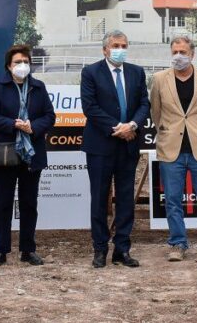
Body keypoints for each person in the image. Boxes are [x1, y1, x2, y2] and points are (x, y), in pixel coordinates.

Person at [150, 35, 197, 262]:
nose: (178, 56)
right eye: (174, 52)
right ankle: (178, 244)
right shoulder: (159, 79)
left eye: (183, 52)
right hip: (171, 149)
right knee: (172, 201)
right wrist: (169, 131)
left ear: (192, 54)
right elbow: (156, 112)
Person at [80, 30, 150, 268]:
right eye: (115, 45)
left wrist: (132, 125)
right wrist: (116, 127)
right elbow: (90, 107)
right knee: (100, 199)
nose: (120, 49)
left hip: (128, 144)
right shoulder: (90, 72)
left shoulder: (136, 72)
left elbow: (144, 104)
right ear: (105, 50)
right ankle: (100, 249)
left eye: (124, 44)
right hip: (100, 145)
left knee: (125, 199)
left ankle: (122, 249)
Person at [0, 45, 56, 266]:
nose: (22, 65)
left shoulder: (38, 87)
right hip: (5, 154)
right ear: (8, 66)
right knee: (3, 203)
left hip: (32, 154)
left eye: (25, 61)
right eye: (17, 62)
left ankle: (28, 250)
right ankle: (1, 251)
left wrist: (32, 127)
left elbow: (50, 116)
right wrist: (14, 124)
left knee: (29, 203)